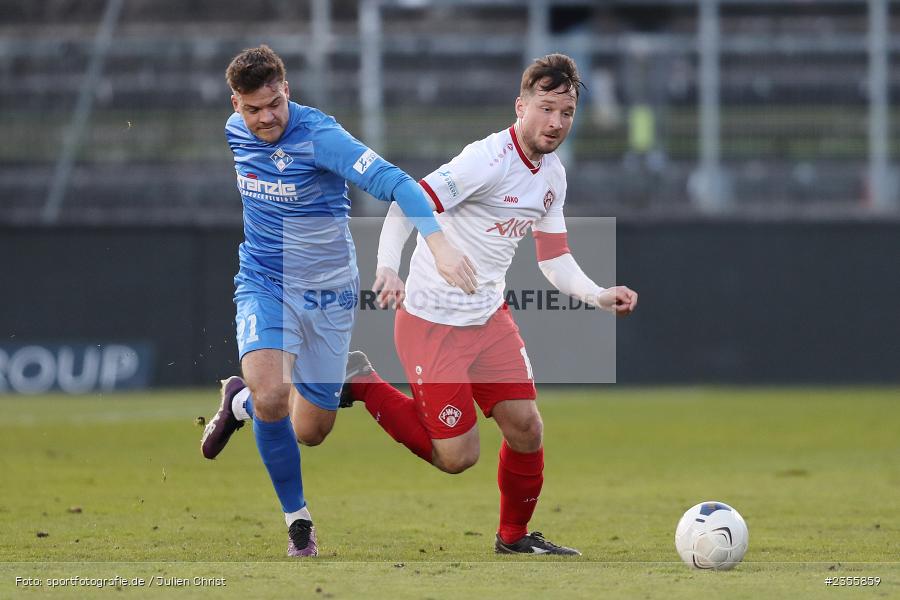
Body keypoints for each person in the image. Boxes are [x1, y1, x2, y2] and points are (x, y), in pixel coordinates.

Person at [340, 53, 638, 556]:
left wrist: (595, 294)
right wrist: (388, 266)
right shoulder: (486, 160)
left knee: (526, 426)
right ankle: (363, 384)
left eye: (566, 113)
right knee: (456, 456)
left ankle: (514, 538)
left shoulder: (552, 176)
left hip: (489, 318)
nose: (556, 123)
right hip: (431, 323)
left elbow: (553, 256)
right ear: (520, 106)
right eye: (546, 109)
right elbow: (408, 200)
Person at [199, 45, 476, 557]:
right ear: (235, 105)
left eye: (274, 104)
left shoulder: (321, 137)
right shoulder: (235, 131)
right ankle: (298, 521)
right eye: (253, 109)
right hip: (264, 280)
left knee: (311, 430)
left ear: (287, 91)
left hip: (328, 292)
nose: (266, 118)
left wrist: (437, 245)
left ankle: (237, 402)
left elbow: (398, 184)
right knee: (273, 396)